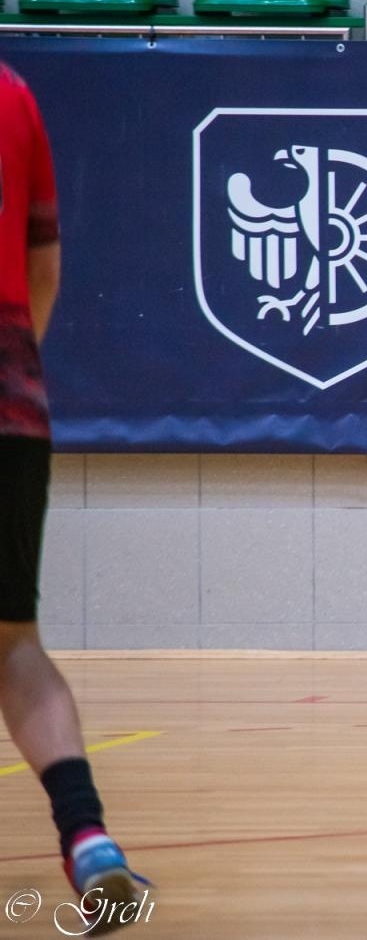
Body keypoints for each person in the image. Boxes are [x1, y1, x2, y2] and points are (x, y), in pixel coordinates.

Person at [0, 60, 150, 926]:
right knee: (15, 644)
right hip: (10, 399)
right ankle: (89, 840)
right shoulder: (14, 96)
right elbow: (43, 269)